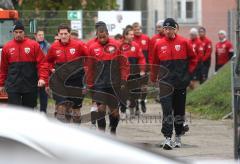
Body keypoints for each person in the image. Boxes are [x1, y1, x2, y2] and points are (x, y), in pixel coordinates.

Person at [151, 18, 197, 150]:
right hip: (165, 83)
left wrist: (188, 75)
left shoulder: (184, 42)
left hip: (180, 83)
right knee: (166, 111)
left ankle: (178, 137)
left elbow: (193, 58)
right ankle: (167, 138)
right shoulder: (158, 44)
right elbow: (155, 63)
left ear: (175, 29)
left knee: (179, 111)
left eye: (170, 28)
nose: (167, 31)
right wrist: (154, 78)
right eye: (165, 28)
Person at [87, 24, 129, 135]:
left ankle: (113, 130)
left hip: (114, 84)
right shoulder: (92, 48)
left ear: (108, 34)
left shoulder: (117, 45)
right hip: (99, 84)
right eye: (99, 37)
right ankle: (101, 134)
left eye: (104, 37)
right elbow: (90, 68)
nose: (102, 39)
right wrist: (90, 84)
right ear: (97, 35)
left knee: (114, 112)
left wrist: (123, 79)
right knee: (100, 109)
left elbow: (123, 64)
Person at [46, 24, 88, 123]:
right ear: (58, 34)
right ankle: (62, 133)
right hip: (60, 82)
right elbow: (47, 61)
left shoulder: (78, 45)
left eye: (65, 33)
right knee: (61, 108)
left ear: (69, 34)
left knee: (76, 111)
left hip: (76, 81)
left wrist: (86, 70)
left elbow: (89, 58)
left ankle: (76, 131)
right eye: (61, 34)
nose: (63, 36)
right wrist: (51, 68)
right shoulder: (54, 47)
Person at [0, 21, 48, 108]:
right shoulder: (7, 47)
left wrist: (42, 78)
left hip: (30, 85)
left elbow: (42, 63)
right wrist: (1, 84)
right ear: (13, 33)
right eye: (16, 32)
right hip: (13, 86)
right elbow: (3, 68)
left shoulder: (33, 45)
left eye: (20, 32)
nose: (18, 34)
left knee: (28, 111)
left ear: (24, 32)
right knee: (15, 112)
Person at [118, 25, 146, 119]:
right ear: (125, 35)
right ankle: (122, 111)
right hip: (122, 74)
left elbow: (141, 58)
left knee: (135, 92)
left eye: (133, 34)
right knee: (123, 92)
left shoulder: (136, 45)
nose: (133, 36)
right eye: (130, 34)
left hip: (134, 74)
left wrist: (142, 70)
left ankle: (133, 108)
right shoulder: (118, 45)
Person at [132, 22, 150, 114]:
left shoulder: (146, 38)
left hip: (144, 67)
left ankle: (142, 101)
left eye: (138, 29)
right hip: (134, 68)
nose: (137, 31)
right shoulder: (131, 40)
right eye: (135, 30)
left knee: (144, 88)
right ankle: (136, 107)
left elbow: (150, 53)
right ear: (133, 31)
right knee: (135, 88)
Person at [34, 29, 50, 113]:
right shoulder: (32, 45)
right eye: (39, 35)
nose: (41, 36)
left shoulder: (48, 46)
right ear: (35, 36)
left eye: (42, 35)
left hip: (44, 72)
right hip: (34, 73)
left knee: (44, 93)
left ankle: (43, 111)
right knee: (33, 93)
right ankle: (33, 108)